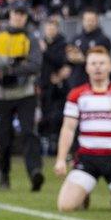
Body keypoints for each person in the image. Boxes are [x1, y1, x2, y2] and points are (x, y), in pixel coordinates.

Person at [54, 46, 111, 212]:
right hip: (87, 158)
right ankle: (84, 193)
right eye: (93, 63)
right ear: (87, 67)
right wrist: (61, 159)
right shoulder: (77, 95)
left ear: (110, 66)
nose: (98, 67)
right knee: (65, 206)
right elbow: (68, 129)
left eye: (102, 63)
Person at [0, 4, 44, 191]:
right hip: (1, 94)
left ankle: (34, 171)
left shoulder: (30, 38)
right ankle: (4, 174)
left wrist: (8, 68)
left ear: (26, 17)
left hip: (24, 93)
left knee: (28, 132)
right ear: (10, 15)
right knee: (4, 137)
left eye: (22, 14)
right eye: (16, 14)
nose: (19, 17)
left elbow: (35, 65)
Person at [38, 16, 71, 155]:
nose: (50, 30)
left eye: (53, 27)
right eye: (48, 27)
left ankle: (55, 144)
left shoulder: (62, 44)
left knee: (57, 116)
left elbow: (60, 61)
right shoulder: (40, 43)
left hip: (58, 87)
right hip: (43, 85)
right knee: (44, 116)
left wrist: (46, 51)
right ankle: (44, 143)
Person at [67, 8, 111, 89]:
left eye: (92, 20)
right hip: (76, 81)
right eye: (87, 20)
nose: (89, 23)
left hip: (96, 83)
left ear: (97, 21)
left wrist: (84, 59)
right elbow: (68, 57)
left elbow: (103, 60)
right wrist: (70, 57)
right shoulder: (76, 38)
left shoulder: (103, 39)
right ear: (83, 21)